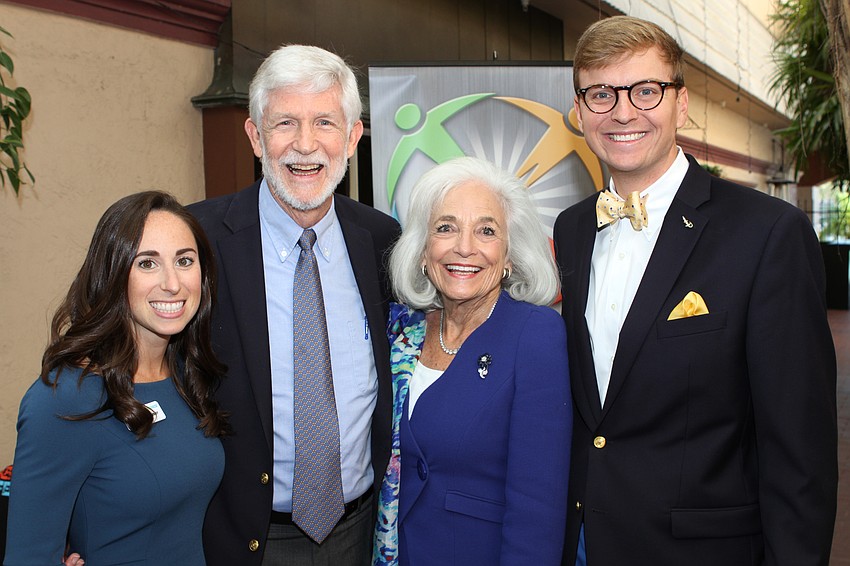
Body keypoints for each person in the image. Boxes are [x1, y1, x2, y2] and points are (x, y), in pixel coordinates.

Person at [553, 15, 838, 566]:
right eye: (601, 93)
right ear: (581, 111)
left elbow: (799, 448)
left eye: (646, 90)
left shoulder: (768, 233)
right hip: (584, 544)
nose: (623, 111)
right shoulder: (572, 229)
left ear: (681, 103)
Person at [187, 44, 400, 565]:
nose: (306, 146)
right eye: (285, 123)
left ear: (353, 137)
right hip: (244, 535)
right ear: (256, 137)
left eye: (325, 122)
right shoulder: (198, 240)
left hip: (361, 530)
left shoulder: (380, 238)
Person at [5, 191, 228, 565]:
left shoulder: (186, 375)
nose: (172, 283)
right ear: (112, 273)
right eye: (147, 264)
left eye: (185, 261)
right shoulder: (66, 398)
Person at [373, 156, 572, 565]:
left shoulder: (535, 335)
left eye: (486, 230)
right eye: (446, 228)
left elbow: (538, 510)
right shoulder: (398, 334)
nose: (465, 247)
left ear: (510, 254)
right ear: (424, 251)